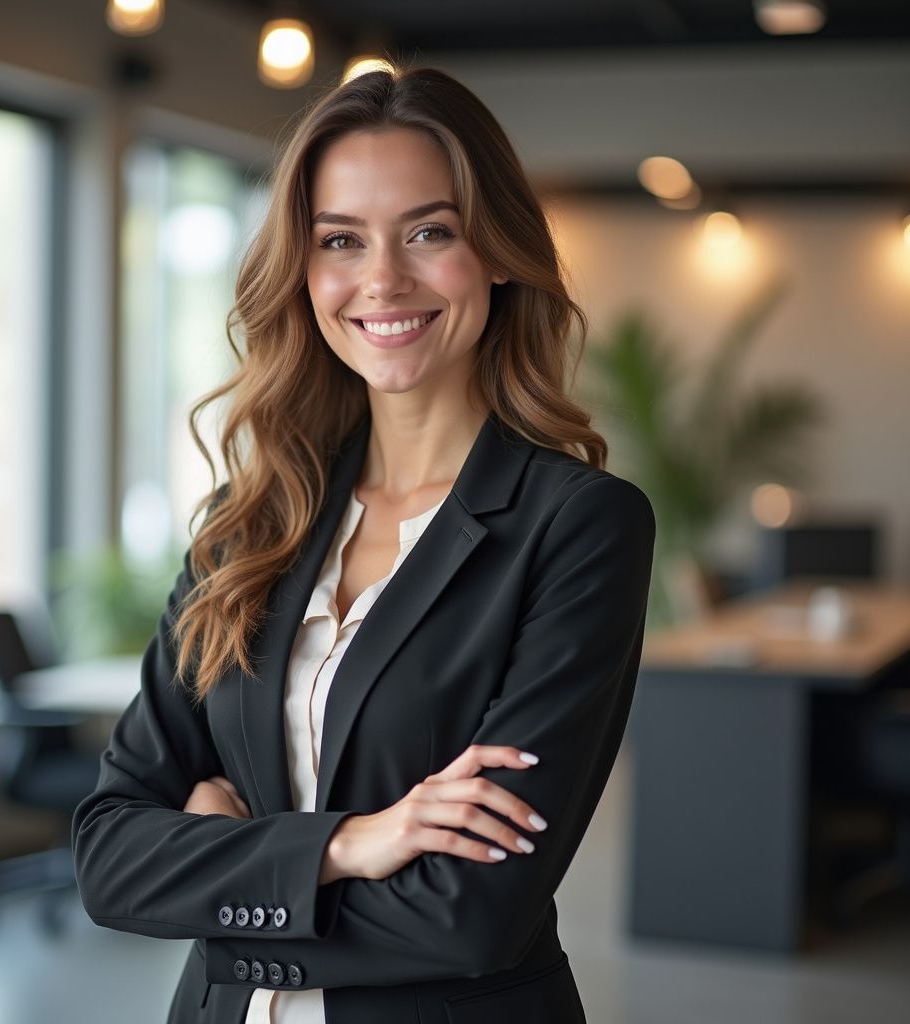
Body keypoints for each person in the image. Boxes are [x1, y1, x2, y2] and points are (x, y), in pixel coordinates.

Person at [72, 64, 656, 1024]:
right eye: (340, 240)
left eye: (430, 232)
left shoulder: (578, 525)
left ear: (499, 253)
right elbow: (107, 856)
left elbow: (473, 916)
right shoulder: (247, 524)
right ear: (303, 273)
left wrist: (226, 874)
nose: (382, 279)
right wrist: (353, 843)